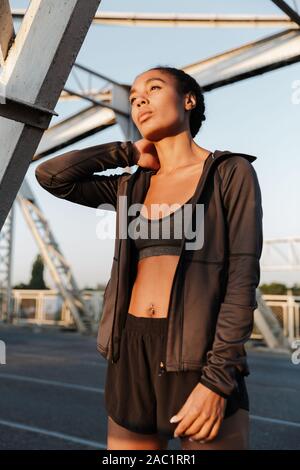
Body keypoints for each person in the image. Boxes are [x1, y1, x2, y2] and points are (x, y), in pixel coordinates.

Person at [35, 66, 263, 450]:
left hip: (199, 354)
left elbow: (241, 281)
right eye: (134, 96)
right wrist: (127, 151)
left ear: (189, 100)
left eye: (154, 88)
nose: (139, 99)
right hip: (130, 350)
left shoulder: (229, 173)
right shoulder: (130, 185)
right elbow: (51, 176)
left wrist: (218, 379)